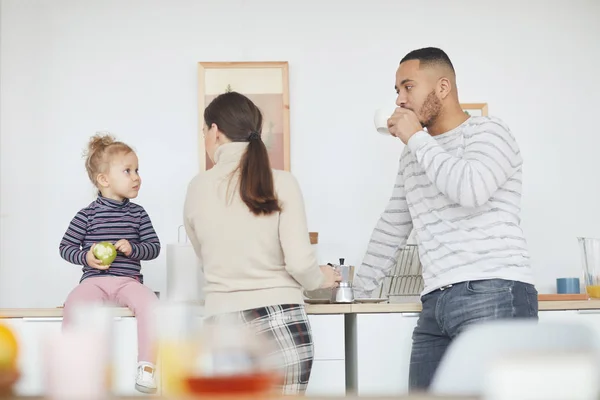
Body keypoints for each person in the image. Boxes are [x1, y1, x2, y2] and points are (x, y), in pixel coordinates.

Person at [353, 47, 538, 391]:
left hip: (494, 290)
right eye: (397, 91)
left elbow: (470, 189)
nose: (400, 100)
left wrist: (416, 139)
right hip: (436, 301)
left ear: (442, 88)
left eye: (408, 87)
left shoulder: (489, 132)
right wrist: (354, 291)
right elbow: (392, 227)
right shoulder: (413, 156)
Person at [183, 91, 341, 395]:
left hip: (222, 327)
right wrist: (323, 275)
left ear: (215, 131)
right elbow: (299, 263)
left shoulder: (197, 187)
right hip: (280, 321)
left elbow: (206, 258)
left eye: (205, 131)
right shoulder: (281, 181)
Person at [59, 133, 161, 394]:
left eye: (137, 170)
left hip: (128, 282)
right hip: (94, 281)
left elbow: (154, 248)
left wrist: (134, 248)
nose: (136, 176)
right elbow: (66, 248)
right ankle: (75, 366)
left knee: (151, 304)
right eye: (128, 171)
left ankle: (147, 366)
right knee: (74, 303)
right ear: (103, 180)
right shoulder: (86, 215)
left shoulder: (138, 214)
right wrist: (86, 256)